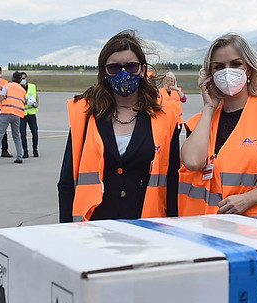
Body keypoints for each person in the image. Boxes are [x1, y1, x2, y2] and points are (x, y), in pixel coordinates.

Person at [179, 33, 257, 226]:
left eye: (236, 64)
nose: (227, 72)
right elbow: (193, 162)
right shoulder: (199, 123)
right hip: (210, 234)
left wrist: (251, 198)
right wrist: (209, 108)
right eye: (219, 67)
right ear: (210, 77)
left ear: (249, 70)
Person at [57, 30, 180, 222]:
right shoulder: (85, 114)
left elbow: (173, 181)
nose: (123, 73)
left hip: (147, 226)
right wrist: (66, 231)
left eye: (131, 66)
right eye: (114, 67)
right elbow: (66, 182)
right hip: (95, 226)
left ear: (142, 69)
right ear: (104, 72)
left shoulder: (164, 117)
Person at [0, 71, 25, 164]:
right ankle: (20, 156)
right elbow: (24, 101)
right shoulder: (22, 90)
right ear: (20, 80)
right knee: (16, 136)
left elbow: (2, 96)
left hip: (6, 112)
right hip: (17, 114)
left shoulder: (8, 86)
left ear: (12, 78)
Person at [19, 72, 39, 158]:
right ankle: (25, 151)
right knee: (23, 134)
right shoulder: (18, 88)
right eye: (21, 79)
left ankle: (35, 150)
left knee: (34, 132)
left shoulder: (32, 86)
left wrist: (37, 104)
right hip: (22, 113)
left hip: (31, 113)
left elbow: (36, 96)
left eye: (24, 78)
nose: (23, 80)